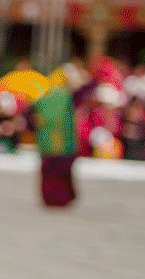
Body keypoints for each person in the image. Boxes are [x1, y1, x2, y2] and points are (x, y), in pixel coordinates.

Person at [26, 62, 98, 207]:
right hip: (65, 144)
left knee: (49, 175)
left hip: (47, 144)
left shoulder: (41, 98)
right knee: (63, 174)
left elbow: (28, 120)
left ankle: (50, 200)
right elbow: (87, 88)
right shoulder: (68, 95)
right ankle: (63, 199)